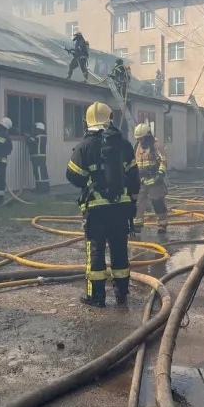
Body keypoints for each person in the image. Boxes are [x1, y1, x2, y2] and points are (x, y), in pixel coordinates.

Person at [66, 102, 140, 308]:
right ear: (110, 119)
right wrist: (132, 202)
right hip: (120, 209)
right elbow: (134, 178)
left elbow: (73, 176)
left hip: (96, 211)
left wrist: (92, 178)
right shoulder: (124, 144)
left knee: (96, 251)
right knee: (119, 250)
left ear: (86, 122)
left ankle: (96, 297)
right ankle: (122, 295)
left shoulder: (84, 146)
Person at [133, 123, 168, 234]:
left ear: (148, 135)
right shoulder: (136, 146)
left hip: (154, 179)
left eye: (142, 138)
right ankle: (137, 224)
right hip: (141, 180)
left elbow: (163, 161)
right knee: (138, 202)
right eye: (139, 139)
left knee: (157, 202)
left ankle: (162, 224)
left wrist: (160, 174)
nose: (141, 141)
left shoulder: (155, 145)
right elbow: (134, 162)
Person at [24, 122, 49, 193]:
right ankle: (45, 188)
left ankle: (41, 189)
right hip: (41, 157)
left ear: (38, 128)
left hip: (37, 157)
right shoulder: (43, 135)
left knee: (39, 174)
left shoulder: (37, 135)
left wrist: (26, 136)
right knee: (43, 173)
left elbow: (31, 141)